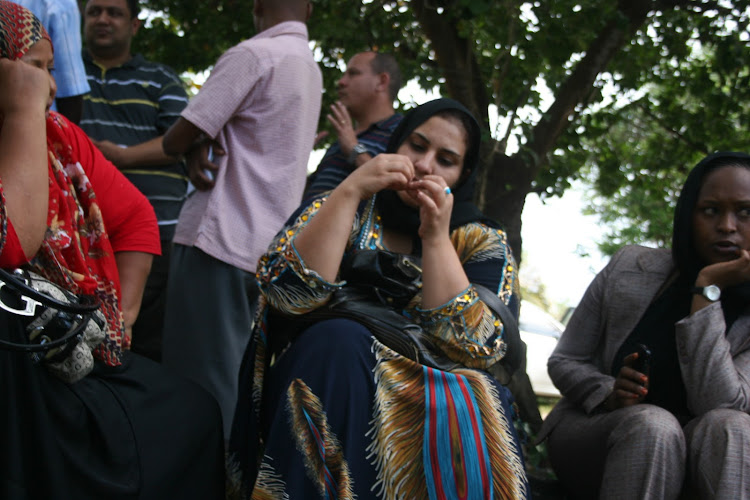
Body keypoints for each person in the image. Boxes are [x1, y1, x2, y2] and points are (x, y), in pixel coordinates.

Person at [228, 98, 529, 498]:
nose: (424, 165)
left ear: (463, 175)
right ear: (396, 144)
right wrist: (351, 189)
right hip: (333, 371)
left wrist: (435, 237)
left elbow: (476, 347)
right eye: (416, 146)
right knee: (337, 341)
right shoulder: (342, 205)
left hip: (434, 393)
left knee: (483, 394)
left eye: (446, 159)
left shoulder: (480, 241)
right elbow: (287, 294)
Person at [0, 2, 224, 497]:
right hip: (17, 367)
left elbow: (136, 218)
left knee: (191, 414)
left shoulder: (59, 136)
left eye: (51, 70)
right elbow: (12, 243)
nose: (51, 87)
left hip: (63, 353)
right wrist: (19, 112)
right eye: (34, 68)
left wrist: (121, 317)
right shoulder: (29, 126)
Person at [539, 151, 750, 499]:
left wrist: (708, 290)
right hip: (599, 439)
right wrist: (609, 393)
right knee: (654, 426)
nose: (727, 225)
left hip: (707, 457)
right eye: (710, 210)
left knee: (733, 426)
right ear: (688, 216)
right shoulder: (628, 268)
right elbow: (566, 360)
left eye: (745, 212)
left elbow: (720, 405)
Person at [160, 0, 322, 438]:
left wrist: (192, 144)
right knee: (227, 378)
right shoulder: (309, 68)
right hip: (261, 248)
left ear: (258, 4)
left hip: (217, 235)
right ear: (308, 8)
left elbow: (178, 136)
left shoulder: (254, 56)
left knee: (194, 386)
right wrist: (199, 142)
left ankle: (193, 479)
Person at [79, 0, 190, 361]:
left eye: (114, 12)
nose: (103, 19)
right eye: (95, 11)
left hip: (157, 234)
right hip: (76, 236)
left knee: (144, 350)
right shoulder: (64, 73)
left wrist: (122, 157)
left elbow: (184, 140)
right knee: (78, 343)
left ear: (135, 25)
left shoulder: (160, 78)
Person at [305, 50, 403, 198]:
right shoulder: (344, 137)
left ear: (381, 82)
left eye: (353, 73)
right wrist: (300, 159)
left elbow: (396, 192)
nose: (341, 82)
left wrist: (354, 149)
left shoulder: (402, 132)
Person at [14, 0, 90, 124]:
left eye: (50, 69)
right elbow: (70, 92)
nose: (52, 87)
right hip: (39, 126)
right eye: (37, 67)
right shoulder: (59, 3)